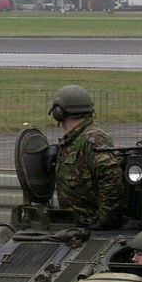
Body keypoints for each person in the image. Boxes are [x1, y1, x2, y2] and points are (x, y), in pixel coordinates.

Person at [49, 85, 124, 229]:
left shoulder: (93, 139)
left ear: (58, 113)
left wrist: (105, 218)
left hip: (90, 226)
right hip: (74, 226)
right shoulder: (73, 140)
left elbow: (111, 176)